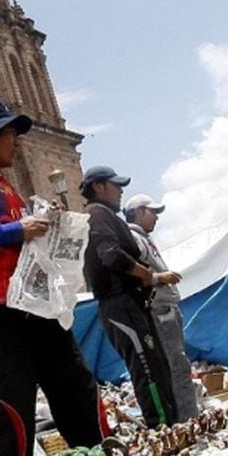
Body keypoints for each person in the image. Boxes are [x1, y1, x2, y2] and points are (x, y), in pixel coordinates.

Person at [0, 99, 104, 456]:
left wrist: (44, 224)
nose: (16, 142)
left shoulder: (4, 185)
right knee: (13, 404)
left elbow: (19, 234)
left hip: (34, 304)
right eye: (11, 134)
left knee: (74, 384)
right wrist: (17, 229)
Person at [80, 166, 179, 428]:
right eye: (116, 185)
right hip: (119, 303)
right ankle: (161, 427)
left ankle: (172, 424)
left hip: (132, 303)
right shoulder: (96, 214)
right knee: (147, 369)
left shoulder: (107, 216)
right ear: (99, 187)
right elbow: (111, 255)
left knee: (157, 366)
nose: (121, 190)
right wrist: (147, 275)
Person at [123, 193, 199, 420]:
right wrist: (159, 278)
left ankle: (186, 416)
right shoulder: (134, 238)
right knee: (176, 365)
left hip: (165, 307)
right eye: (152, 212)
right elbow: (133, 272)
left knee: (176, 364)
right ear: (138, 212)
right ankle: (187, 419)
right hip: (160, 309)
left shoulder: (143, 238)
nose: (156, 217)